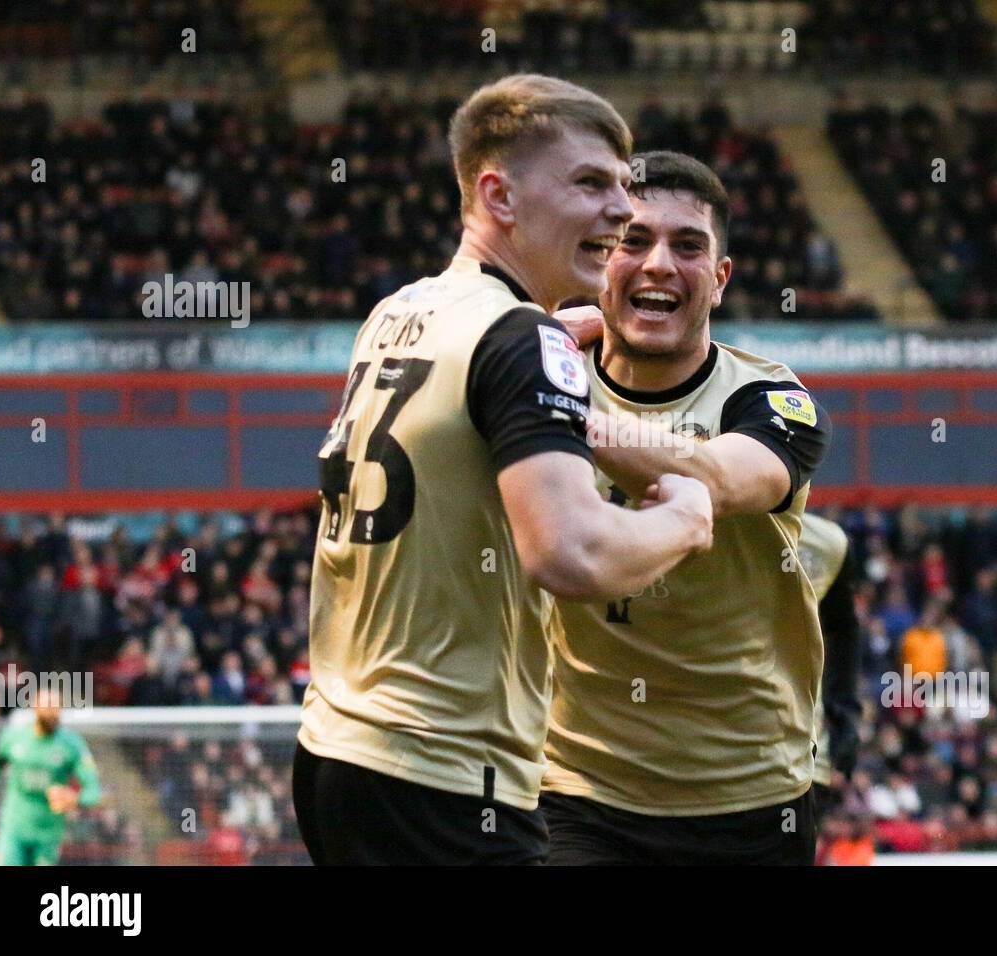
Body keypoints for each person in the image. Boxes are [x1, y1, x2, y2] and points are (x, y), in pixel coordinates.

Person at [293, 77, 714, 866]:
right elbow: (570, 553)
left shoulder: (400, 311)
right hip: (445, 780)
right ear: (499, 195)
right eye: (590, 183)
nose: (621, 211)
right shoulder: (524, 341)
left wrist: (538, 348)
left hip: (338, 749)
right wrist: (687, 518)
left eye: (624, 185)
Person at [541, 151, 831, 865]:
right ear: (599, 263)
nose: (658, 265)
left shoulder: (770, 401)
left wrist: (558, 410)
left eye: (688, 246)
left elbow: (717, 477)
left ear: (720, 278)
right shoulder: (546, 368)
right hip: (577, 791)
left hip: (749, 796)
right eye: (632, 242)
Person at [796, 511, 862, 821]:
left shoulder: (828, 544)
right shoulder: (701, 524)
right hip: (710, 756)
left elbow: (844, 629)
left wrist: (845, 713)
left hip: (805, 761)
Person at [0, 689, 103, 866]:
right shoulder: (13, 739)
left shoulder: (71, 745)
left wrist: (76, 798)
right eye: (48, 705)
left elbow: (95, 791)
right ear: (35, 707)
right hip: (14, 829)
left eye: (57, 706)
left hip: (48, 834)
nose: (53, 711)